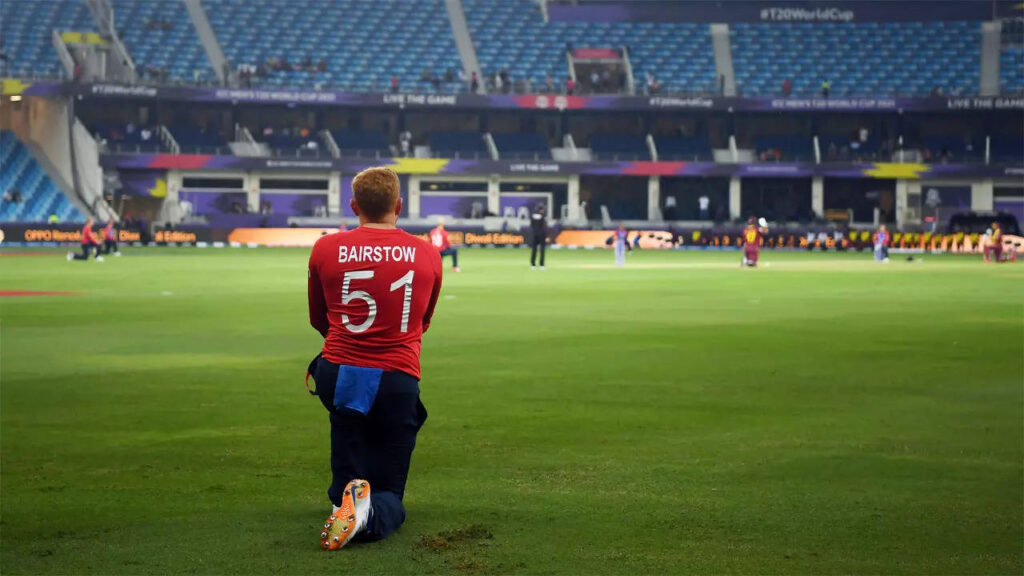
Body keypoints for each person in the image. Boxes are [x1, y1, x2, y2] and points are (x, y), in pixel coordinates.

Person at [307, 166, 443, 551]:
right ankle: (369, 514)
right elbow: (423, 322)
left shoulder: (325, 248)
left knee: (348, 437)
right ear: (399, 205)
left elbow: (319, 319)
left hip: (338, 370)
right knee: (390, 493)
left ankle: (345, 498)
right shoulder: (428, 253)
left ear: (353, 206)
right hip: (396, 377)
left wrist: (353, 347)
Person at [530, 204, 548, 269]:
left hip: (535, 234)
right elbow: (544, 227)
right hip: (542, 235)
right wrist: (546, 236)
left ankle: (533, 264)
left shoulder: (533, 216)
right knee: (542, 250)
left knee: (534, 250)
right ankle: (541, 265)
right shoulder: (543, 216)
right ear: (542, 210)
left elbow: (531, 225)